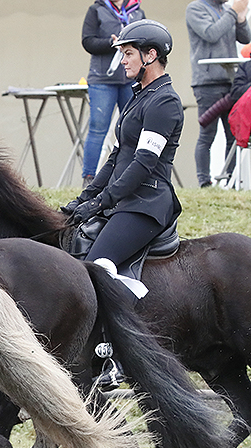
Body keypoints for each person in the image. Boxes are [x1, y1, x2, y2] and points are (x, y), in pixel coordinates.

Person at [59, 20, 183, 388]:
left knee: (98, 266)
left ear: (151, 55)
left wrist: (105, 200)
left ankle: (120, 359)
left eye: (128, 54)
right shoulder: (138, 97)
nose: (122, 61)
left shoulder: (165, 102)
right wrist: (86, 197)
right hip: (124, 199)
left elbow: (144, 163)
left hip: (147, 203)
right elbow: (115, 159)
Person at [81, 0, 145, 188]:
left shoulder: (137, 12)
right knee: (98, 129)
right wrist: (111, 43)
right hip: (102, 79)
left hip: (130, 79)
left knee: (132, 127)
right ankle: (89, 178)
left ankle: (130, 175)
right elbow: (88, 41)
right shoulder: (96, 10)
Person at [186, 0, 250, 187]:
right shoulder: (195, 8)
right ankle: (204, 182)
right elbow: (211, 34)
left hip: (230, 81)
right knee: (207, 134)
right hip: (206, 82)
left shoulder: (227, 10)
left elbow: (245, 38)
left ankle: (229, 180)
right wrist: (233, 13)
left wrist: (241, 18)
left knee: (232, 134)